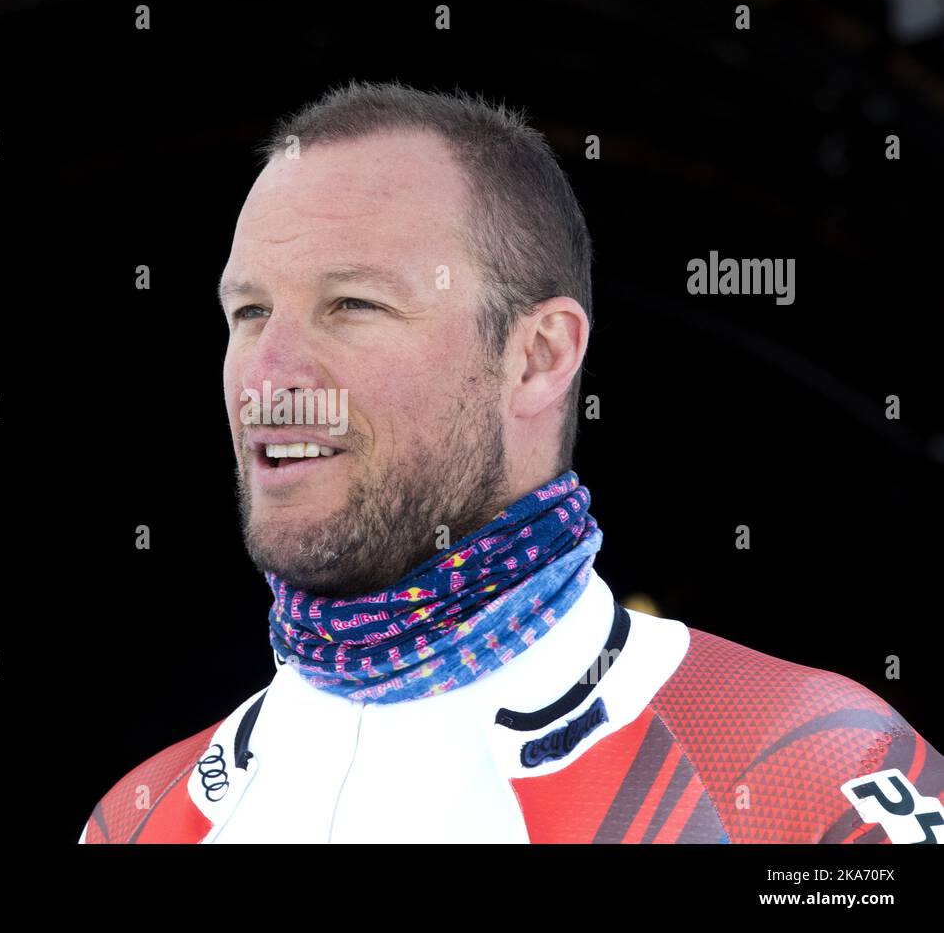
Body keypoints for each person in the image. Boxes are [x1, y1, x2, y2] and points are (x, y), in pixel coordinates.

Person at [80, 80, 944, 844]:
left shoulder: (809, 778)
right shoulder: (143, 821)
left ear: (537, 357)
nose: (270, 378)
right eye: (250, 311)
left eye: (353, 303)